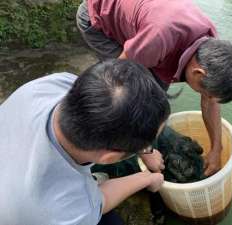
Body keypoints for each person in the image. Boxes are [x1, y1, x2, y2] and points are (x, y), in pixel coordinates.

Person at [76, 0, 232, 176]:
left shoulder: (211, 50)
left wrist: (216, 149)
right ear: (198, 72)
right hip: (98, 19)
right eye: (204, 93)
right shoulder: (159, 37)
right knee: (135, 97)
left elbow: (210, 102)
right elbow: (119, 85)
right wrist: (146, 152)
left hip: (145, 34)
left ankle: (146, 135)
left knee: (155, 96)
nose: (205, 97)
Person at [0, 59, 170, 225]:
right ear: (108, 158)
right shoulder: (67, 211)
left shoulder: (55, 84)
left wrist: (144, 150)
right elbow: (100, 202)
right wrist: (146, 178)